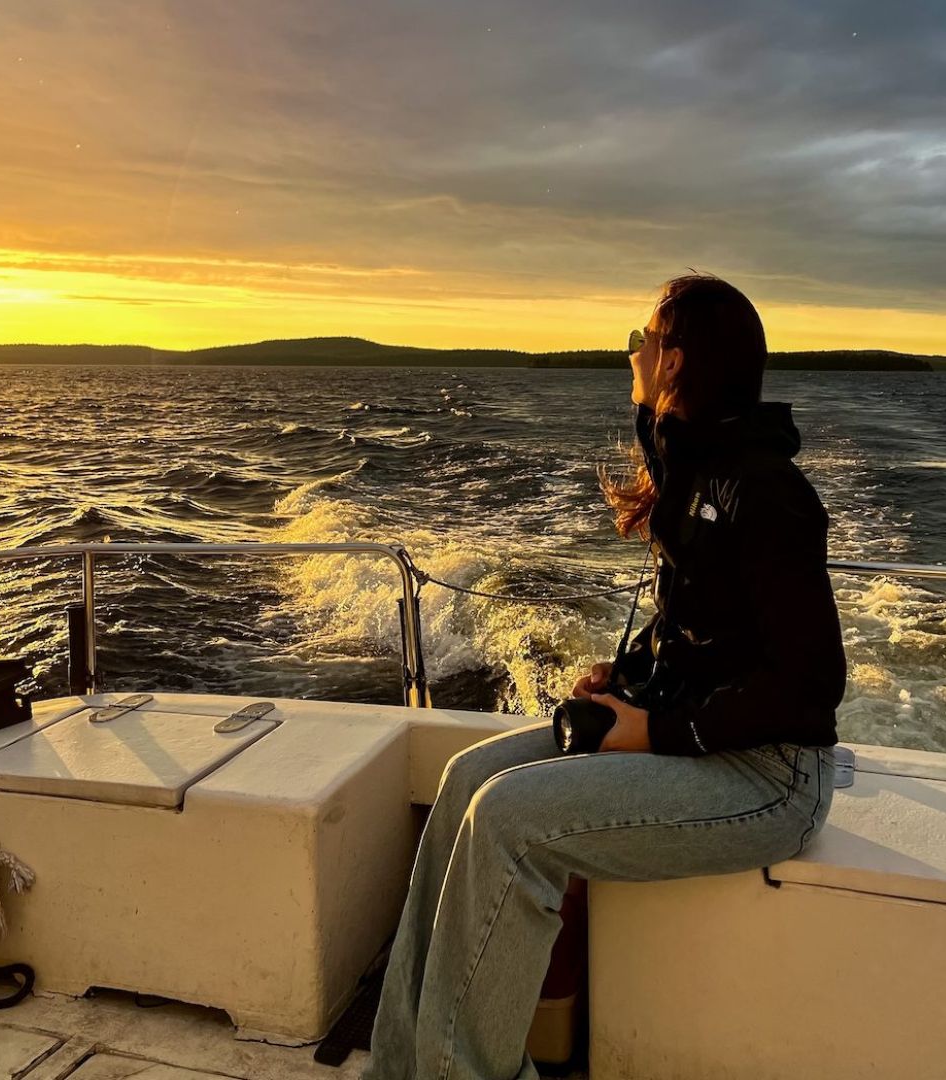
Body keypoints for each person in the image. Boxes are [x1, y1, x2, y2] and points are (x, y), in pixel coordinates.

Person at [360, 273, 847, 1080]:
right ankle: (402, 1064)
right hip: (697, 738)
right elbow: (700, 627)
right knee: (465, 779)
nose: (633, 351)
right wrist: (627, 679)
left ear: (678, 359)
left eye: (644, 340)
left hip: (768, 775)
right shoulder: (696, 467)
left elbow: (810, 682)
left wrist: (658, 730)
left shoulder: (767, 491)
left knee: (510, 818)